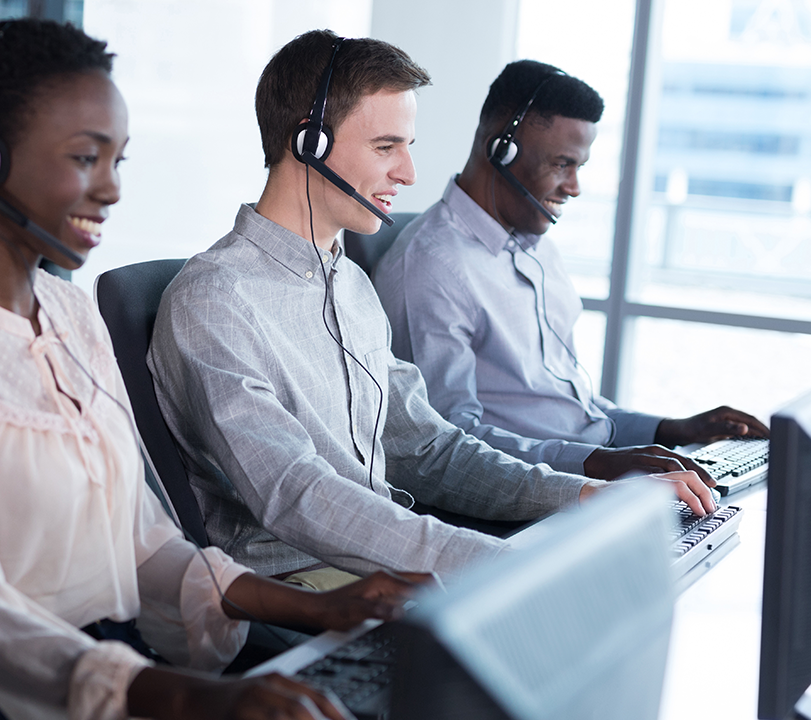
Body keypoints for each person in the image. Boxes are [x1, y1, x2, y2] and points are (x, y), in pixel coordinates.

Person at [0, 19, 426, 720]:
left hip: (124, 663)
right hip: (1, 689)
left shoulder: (72, 315)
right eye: (86, 158)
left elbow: (143, 539)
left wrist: (323, 608)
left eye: (118, 161)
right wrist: (187, 694)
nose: (113, 190)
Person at [147, 31, 718, 591]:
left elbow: (427, 449)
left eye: (408, 147)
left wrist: (583, 493)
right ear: (309, 143)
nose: (408, 174)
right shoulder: (215, 301)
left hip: (385, 565)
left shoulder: (347, 283)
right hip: (303, 589)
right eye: (385, 147)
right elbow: (297, 496)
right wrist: (502, 567)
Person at [370, 60, 769, 481]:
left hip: (588, 475)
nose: (575, 186)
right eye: (562, 164)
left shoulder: (536, 250)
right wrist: (595, 463)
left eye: (579, 167)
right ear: (499, 149)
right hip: (531, 497)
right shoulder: (432, 268)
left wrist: (673, 430)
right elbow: (448, 443)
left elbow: (572, 410)